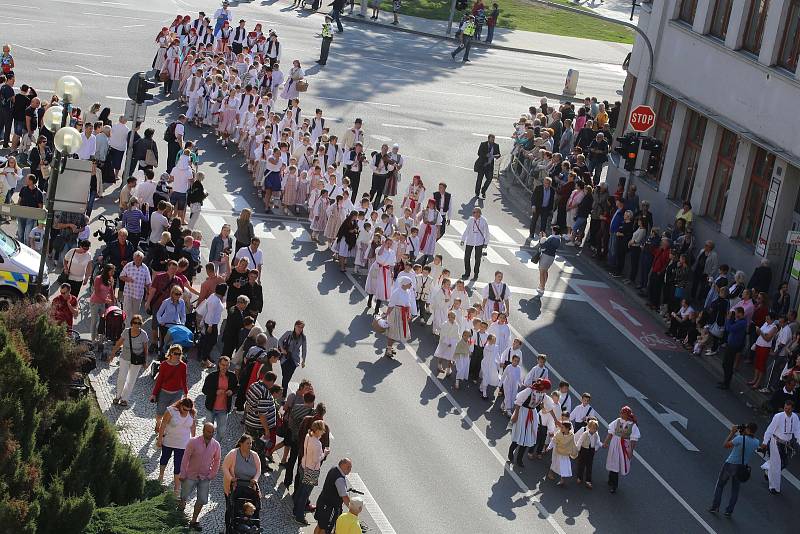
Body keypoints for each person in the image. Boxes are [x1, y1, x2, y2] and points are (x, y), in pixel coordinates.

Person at [708, 423, 759, 516]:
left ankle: (715, 507)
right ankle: (729, 511)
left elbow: (725, 445)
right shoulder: (756, 442)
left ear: (747, 429)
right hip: (741, 468)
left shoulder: (739, 439)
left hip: (730, 465)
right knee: (735, 490)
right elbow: (747, 442)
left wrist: (732, 433)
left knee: (720, 486)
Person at [178, 422, 221, 532]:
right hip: (191, 475)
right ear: (203, 430)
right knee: (184, 495)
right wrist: (183, 473)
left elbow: (217, 461)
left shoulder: (216, 445)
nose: (210, 434)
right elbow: (185, 457)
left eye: (212, 432)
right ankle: (181, 507)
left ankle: (194, 520)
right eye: (208, 431)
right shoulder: (193, 442)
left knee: (202, 499)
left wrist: (212, 475)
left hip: (205, 477)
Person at [760, 399, 800, 494]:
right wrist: (765, 442)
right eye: (785, 408)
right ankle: (773, 487)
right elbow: (770, 429)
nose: (786, 410)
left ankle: (768, 468)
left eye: (789, 409)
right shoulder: (778, 416)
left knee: (784, 463)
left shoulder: (795, 418)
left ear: (792, 409)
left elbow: (797, 431)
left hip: (787, 444)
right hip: (776, 442)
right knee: (777, 466)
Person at [157, 397, 197, 494]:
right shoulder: (171, 411)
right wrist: (160, 439)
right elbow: (163, 424)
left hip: (183, 444)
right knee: (164, 459)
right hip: (169, 441)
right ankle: (161, 475)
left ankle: (177, 487)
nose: (185, 412)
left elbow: (193, 427)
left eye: (188, 410)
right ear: (180, 405)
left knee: (178, 465)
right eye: (184, 409)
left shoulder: (192, 414)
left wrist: (193, 441)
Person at [108, 314, 149, 407]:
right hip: (125, 358)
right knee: (121, 377)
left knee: (131, 380)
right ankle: (117, 396)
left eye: (139, 323)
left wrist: (145, 361)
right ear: (132, 323)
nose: (137, 325)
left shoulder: (143, 334)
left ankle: (125, 399)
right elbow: (119, 343)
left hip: (137, 360)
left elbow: (146, 349)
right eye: (135, 323)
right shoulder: (126, 332)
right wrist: (112, 354)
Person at [293, 420, 328, 526]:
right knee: (305, 494)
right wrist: (325, 453)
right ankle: (299, 516)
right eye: (322, 430)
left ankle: (295, 510)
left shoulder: (308, 436)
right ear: (317, 430)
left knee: (300, 490)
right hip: (311, 470)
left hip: (303, 466)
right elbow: (316, 460)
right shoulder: (317, 444)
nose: (323, 432)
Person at [222, 435, 262, 526]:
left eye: (251, 443)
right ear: (241, 444)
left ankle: (249, 525)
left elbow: (259, 469)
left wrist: (255, 479)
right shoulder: (233, 454)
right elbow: (224, 467)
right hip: (234, 486)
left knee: (250, 507)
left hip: (249, 486)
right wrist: (231, 478)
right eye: (247, 443)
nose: (250, 445)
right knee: (231, 507)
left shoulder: (254, 455)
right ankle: (229, 526)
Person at [150, 344, 189, 434]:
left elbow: (184, 380)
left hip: (177, 394)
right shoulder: (164, 365)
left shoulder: (183, 366)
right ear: (170, 353)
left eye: (179, 354)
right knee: (160, 413)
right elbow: (159, 380)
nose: (178, 356)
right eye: (176, 353)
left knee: (171, 414)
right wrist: (154, 394)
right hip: (164, 393)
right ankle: (158, 423)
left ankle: (164, 432)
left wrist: (186, 393)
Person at [602, 406, 641, 493]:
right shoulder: (617, 421)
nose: (621, 414)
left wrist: (631, 450)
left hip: (623, 446)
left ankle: (614, 485)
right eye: (621, 412)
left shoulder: (632, 425)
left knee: (617, 463)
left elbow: (633, 439)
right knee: (612, 460)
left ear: (627, 414)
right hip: (615, 443)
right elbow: (610, 433)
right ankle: (610, 479)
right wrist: (606, 443)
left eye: (623, 413)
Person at [202, 355, 238, 442]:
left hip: (224, 409)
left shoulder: (232, 376)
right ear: (219, 364)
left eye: (226, 365)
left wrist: (231, 392)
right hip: (211, 407)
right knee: (208, 431)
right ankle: (205, 445)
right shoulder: (212, 376)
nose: (224, 367)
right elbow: (204, 390)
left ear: (229, 365)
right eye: (223, 365)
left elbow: (236, 388)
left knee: (221, 432)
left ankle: (215, 446)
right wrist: (215, 392)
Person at [314, 458, 353, 534]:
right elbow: (344, 497)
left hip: (322, 501)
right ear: (342, 466)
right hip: (330, 508)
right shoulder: (339, 479)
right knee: (325, 529)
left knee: (320, 525)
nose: (350, 469)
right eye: (348, 467)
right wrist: (352, 509)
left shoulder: (334, 468)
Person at [384, 276, 417, 357]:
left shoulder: (408, 291)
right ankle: (388, 349)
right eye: (409, 283)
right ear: (405, 284)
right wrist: (386, 314)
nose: (411, 285)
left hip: (403, 313)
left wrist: (408, 314)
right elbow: (391, 304)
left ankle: (390, 347)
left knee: (398, 332)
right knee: (393, 332)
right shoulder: (397, 292)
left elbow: (408, 303)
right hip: (396, 313)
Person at [196, 283, 226, 368]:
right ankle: (204, 360)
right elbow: (211, 314)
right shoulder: (215, 300)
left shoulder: (213, 296)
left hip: (210, 323)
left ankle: (204, 357)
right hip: (211, 324)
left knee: (207, 341)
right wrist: (210, 326)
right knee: (210, 342)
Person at [461, 207, 489, 280]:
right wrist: (463, 239)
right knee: (466, 257)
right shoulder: (470, 220)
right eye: (473, 212)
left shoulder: (484, 221)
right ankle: (467, 273)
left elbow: (487, 232)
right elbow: (467, 230)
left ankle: (476, 274)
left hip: (479, 242)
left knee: (477, 259)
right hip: (470, 240)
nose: (473, 214)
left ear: (479, 213)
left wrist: (486, 243)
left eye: (475, 212)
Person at [279, 320, 308, 392]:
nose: (300, 329)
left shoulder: (303, 338)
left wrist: (303, 360)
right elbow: (280, 340)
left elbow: (304, 349)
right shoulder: (289, 333)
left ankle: (283, 393)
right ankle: (282, 392)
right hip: (285, 358)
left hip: (294, 360)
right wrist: (282, 349)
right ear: (295, 326)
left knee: (287, 378)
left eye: (302, 327)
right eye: (299, 327)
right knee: (285, 376)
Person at [574, 418, 601, 488]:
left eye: (595, 429)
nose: (594, 430)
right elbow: (580, 442)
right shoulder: (585, 434)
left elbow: (598, 442)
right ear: (589, 427)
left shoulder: (596, 435)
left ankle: (588, 480)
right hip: (584, 450)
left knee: (589, 465)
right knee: (581, 464)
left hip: (591, 451)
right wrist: (578, 449)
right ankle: (579, 477)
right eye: (593, 428)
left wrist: (599, 447)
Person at [537, 226, 562, 294]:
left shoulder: (552, 238)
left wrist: (542, 238)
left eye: (552, 230)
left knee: (542, 272)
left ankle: (542, 288)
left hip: (546, 256)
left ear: (554, 231)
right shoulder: (558, 239)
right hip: (551, 257)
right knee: (545, 271)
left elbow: (543, 246)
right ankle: (542, 285)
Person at [474, 134, 501, 199]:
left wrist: (496, 156)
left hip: (489, 165)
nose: (492, 141)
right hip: (482, 165)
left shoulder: (496, 145)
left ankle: (483, 191)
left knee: (489, 179)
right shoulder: (483, 144)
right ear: (488, 139)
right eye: (491, 139)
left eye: (493, 139)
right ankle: (477, 193)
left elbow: (499, 154)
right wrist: (486, 155)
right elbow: (479, 153)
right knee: (479, 180)